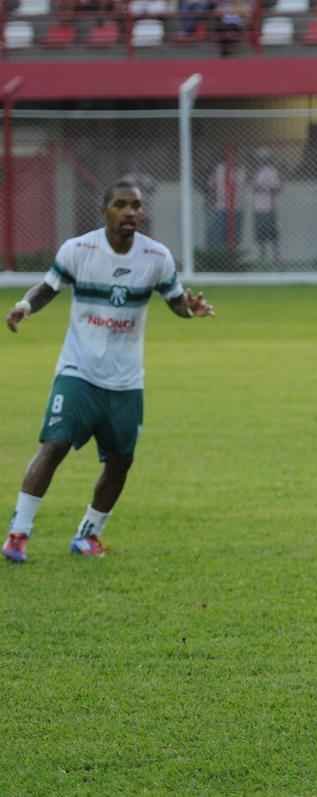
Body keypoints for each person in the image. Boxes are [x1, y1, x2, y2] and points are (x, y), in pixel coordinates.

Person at [3, 182, 215, 565]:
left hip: (125, 381)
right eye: (121, 205)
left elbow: (175, 301)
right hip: (78, 371)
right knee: (54, 446)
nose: (130, 212)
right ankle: (18, 533)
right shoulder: (79, 250)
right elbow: (49, 288)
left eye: (136, 205)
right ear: (105, 211)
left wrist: (190, 308)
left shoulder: (156, 257)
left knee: (120, 461)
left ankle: (89, 534)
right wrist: (24, 307)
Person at [206, 156, 246, 251]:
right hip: (221, 207)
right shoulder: (220, 168)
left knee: (234, 236)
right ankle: (221, 255)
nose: (233, 159)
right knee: (219, 234)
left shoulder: (241, 170)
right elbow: (211, 185)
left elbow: (243, 187)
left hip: (237, 207)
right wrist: (211, 200)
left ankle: (231, 256)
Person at [252, 148, 283, 265]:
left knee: (272, 232)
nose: (260, 160)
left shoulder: (271, 171)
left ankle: (276, 257)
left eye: (262, 158)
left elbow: (277, 188)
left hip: (269, 207)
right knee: (261, 233)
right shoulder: (257, 171)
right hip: (258, 207)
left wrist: (263, 188)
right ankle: (262, 257)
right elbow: (254, 187)